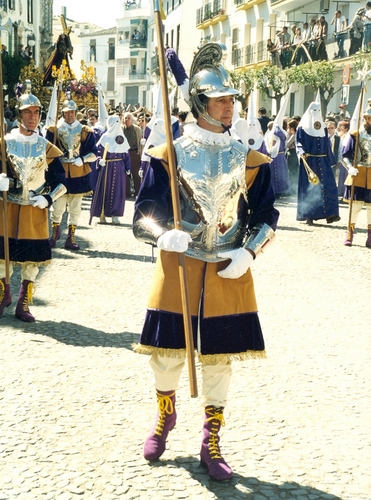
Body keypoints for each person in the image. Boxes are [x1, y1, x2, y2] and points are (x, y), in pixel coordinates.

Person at [132, 42, 279, 482]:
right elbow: (142, 215)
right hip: (179, 264)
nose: (230, 105)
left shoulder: (252, 161)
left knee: (218, 360)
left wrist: (249, 250)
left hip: (226, 266)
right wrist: (163, 233)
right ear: (200, 103)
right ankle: (164, 417)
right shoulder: (168, 156)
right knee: (166, 356)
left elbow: (267, 215)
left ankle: (211, 439)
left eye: (232, 99)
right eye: (221, 99)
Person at [0, 88, 66, 322]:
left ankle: (23, 303)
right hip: (7, 207)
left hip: (35, 209)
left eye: (36, 112)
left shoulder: (46, 146)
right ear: (19, 115)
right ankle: (2, 295)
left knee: (32, 261)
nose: (33, 116)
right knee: (2, 257)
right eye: (27, 112)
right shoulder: (4, 143)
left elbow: (61, 182)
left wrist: (48, 199)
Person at [45, 97, 97, 250]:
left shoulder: (85, 131)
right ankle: (55, 233)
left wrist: (83, 159)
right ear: (62, 113)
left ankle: (71, 236)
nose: (69, 115)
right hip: (60, 173)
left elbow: (94, 152)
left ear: (76, 113)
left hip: (78, 173)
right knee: (57, 206)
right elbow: (48, 151)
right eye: (67, 113)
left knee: (75, 207)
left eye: (72, 112)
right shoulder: (53, 130)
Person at [296, 98, 340, 225]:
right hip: (310, 162)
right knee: (311, 188)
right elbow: (299, 142)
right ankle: (309, 215)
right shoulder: (303, 128)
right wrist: (301, 152)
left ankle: (331, 214)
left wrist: (332, 160)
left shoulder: (323, 128)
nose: (316, 112)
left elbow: (327, 143)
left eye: (318, 110)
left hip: (324, 161)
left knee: (329, 187)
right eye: (314, 110)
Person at [89, 115, 131, 225]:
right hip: (107, 167)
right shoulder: (105, 137)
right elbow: (98, 153)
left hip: (119, 168)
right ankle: (101, 214)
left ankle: (115, 214)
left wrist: (128, 167)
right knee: (105, 189)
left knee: (118, 191)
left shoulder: (122, 138)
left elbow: (126, 154)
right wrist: (100, 161)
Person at [342, 107, 371, 248]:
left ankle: (370, 236)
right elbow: (345, 156)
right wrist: (350, 168)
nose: (369, 121)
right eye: (367, 118)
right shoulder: (355, 135)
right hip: (358, 173)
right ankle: (350, 233)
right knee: (355, 206)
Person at [122, 112, 143, 198]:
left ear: (132, 120)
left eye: (129, 118)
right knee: (126, 174)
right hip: (124, 153)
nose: (127, 120)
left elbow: (140, 141)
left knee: (136, 174)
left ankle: (137, 192)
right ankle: (126, 193)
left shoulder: (137, 129)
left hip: (134, 153)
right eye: (125, 118)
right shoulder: (121, 129)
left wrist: (140, 151)